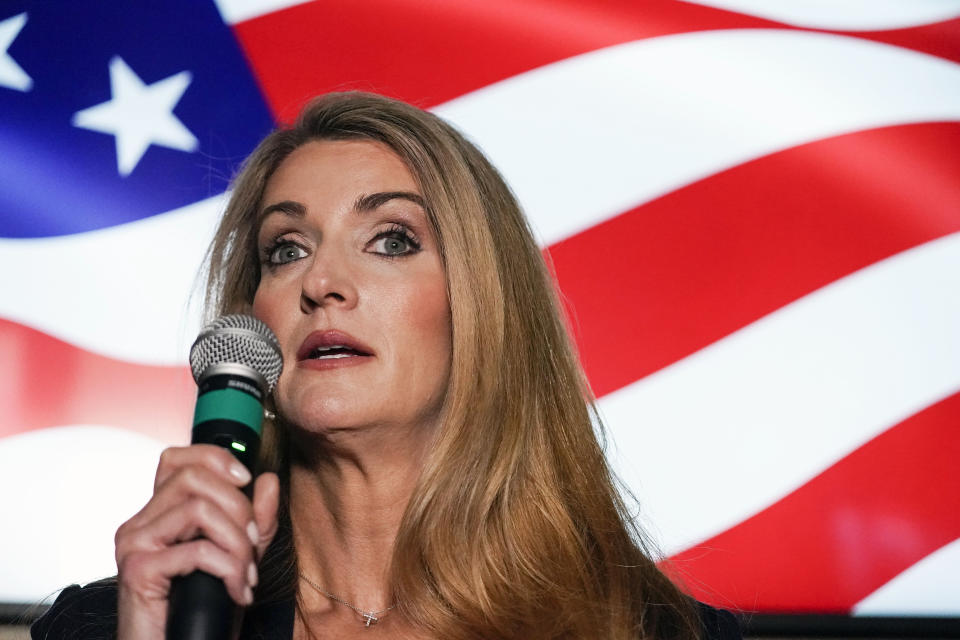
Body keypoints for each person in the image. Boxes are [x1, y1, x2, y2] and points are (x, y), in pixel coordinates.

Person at [32, 92, 740, 640]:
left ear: (481, 306)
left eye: (391, 239)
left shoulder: (653, 631)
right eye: (286, 249)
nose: (321, 282)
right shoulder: (106, 629)